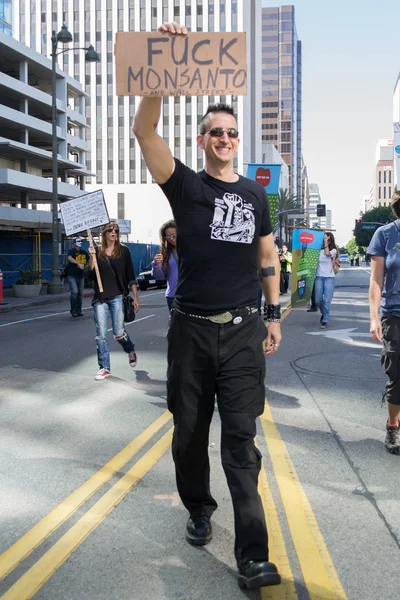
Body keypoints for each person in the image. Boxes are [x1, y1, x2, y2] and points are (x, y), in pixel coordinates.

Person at [133, 22, 282, 591]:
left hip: (244, 331)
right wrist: (164, 74)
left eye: (231, 133)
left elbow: (265, 250)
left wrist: (273, 313)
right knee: (190, 434)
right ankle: (198, 506)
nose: (224, 139)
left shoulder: (254, 194)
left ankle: (252, 553)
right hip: (191, 333)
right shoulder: (186, 187)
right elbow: (144, 130)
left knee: (241, 440)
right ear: (201, 140)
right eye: (215, 132)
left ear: (238, 140)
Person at [368, 190, 400, 454]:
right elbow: (377, 280)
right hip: (395, 315)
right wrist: (374, 316)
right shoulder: (385, 234)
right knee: (397, 377)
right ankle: (393, 425)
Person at [88, 222, 140, 381]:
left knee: (118, 333)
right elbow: (89, 276)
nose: (114, 233)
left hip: (117, 295)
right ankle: (104, 367)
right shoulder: (96, 251)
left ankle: (130, 348)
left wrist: (136, 297)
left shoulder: (124, 251)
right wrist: (92, 258)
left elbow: (131, 275)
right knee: (101, 335)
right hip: (100, 298)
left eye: (116, 231)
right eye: (110, 230)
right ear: (104, 233)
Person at [151, 219, 178, 312]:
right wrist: (156, 265)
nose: (171, 239)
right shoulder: (166, 253)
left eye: (173, 235)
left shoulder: (192, 249)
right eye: (168, 237)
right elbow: (160, 276)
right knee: (176, 325)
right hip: (173, 297)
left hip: (191, 295)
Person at [314, 232, 338, 329]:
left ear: (330, 240)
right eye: (324, 239)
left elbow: (327, 254)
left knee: (327, 300)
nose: (324, 241)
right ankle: (324, 312)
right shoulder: (317, 251)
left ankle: (325, 320)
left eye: (327, 239)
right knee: (318, 300)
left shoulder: (333, 250)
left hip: (329, 278)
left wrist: (326, 243)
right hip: (319, 277)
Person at [65, 237, 89, 317]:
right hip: (71, 275)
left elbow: (88, 261)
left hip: (81, 275)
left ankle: (79, 310)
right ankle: (73, 310)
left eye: (81, 241)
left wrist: (86, 267)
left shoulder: (84, 252)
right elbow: (69, 258)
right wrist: (78, 263)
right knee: (75, 291)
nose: (80, 243)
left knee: (80, 293)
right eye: (78, 241)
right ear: (74, 243)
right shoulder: (71, 251)